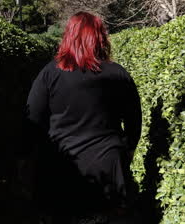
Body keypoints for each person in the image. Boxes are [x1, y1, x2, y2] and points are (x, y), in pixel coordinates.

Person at [24, 12, 142, 224]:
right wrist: (127, 151)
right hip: (108, 163)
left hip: (62, 166)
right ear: (100, 38)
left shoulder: (50, 73)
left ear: (68, 36)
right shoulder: (117, 74)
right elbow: (134, 121)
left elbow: (32, 119)